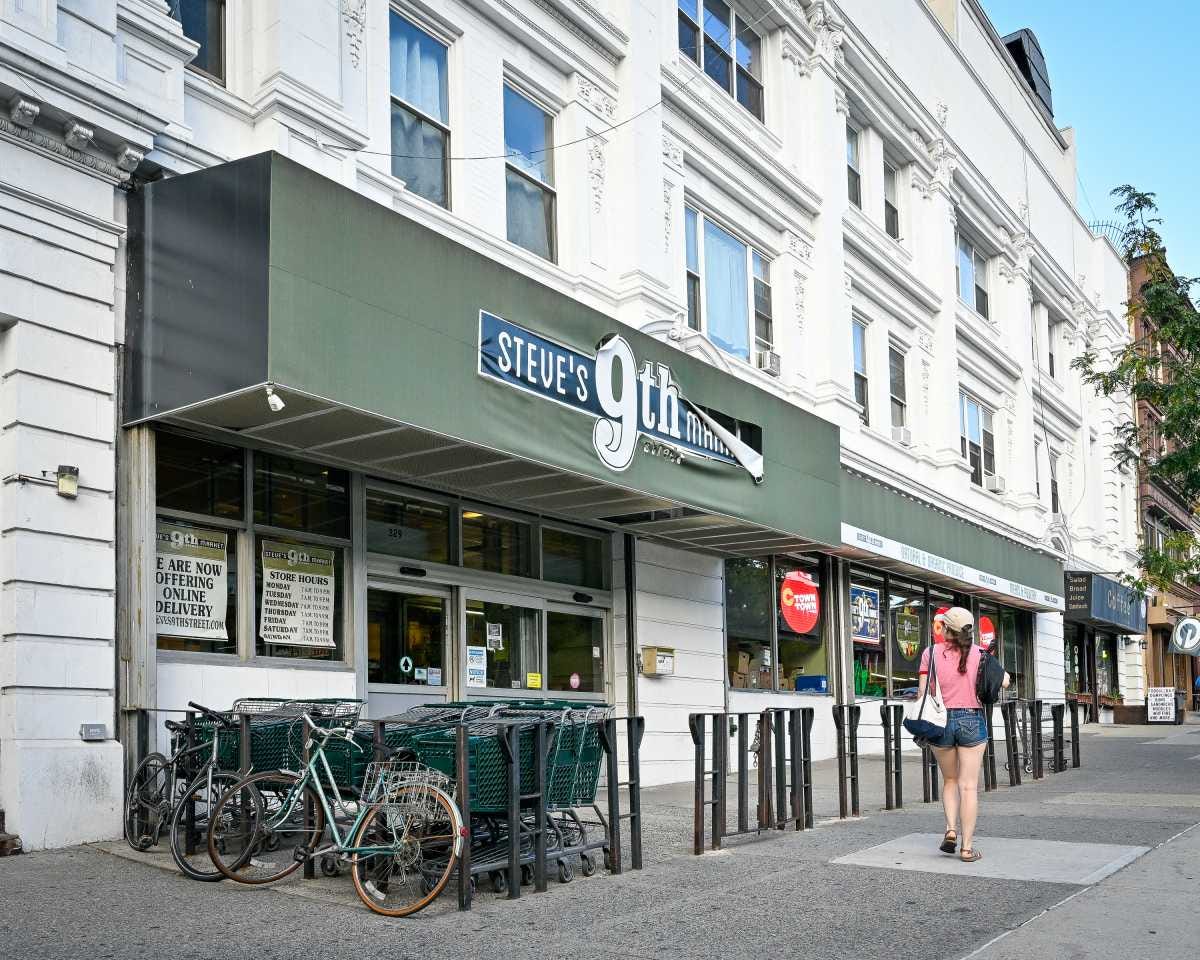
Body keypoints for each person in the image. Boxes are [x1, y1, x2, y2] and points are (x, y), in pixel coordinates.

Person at [917, 606, 1008, 863]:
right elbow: (1005, 681)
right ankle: (967, 849)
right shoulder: (981, 654)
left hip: (941, 720)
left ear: (945, 629)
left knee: (949, 781)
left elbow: (923, 692)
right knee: (969, 787)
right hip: (972, 719)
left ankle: (950, 830)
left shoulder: (930, 654)